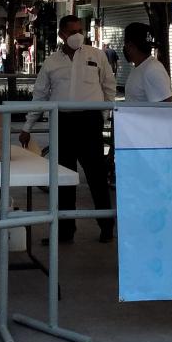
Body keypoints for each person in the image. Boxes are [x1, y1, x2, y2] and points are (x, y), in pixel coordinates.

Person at [20, 14, 116, 243]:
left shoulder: (97, 55)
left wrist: (104, 115)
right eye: (72, 32)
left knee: (97, 177)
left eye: (79, 30)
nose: (77, 35)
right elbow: (40, 95)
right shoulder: (52, 62)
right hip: (63, 122)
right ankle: (65, 231)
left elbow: (109, 86)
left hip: (90, 122)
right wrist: (27, 126)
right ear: (62, 34)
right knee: (63, 178)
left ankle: (106, 227)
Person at [122, 22, 172, 103]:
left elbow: (167, 107)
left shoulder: (152, 70)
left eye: (125, 44)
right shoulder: (140, 67)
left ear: (131, 46)